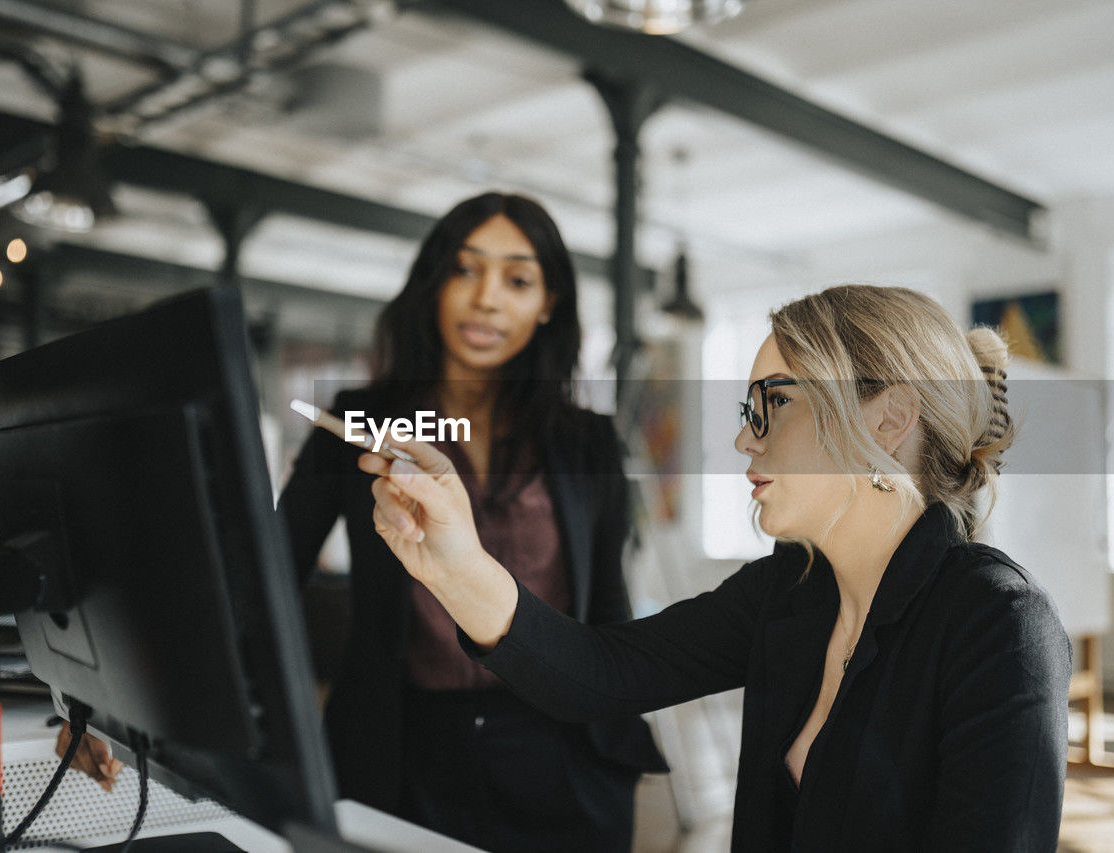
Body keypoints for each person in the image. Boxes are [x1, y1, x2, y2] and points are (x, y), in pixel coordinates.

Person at [361, 284, 1073, 851]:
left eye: (774, 404)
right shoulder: (790, 589)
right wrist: (453, 565)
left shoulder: (998, 625)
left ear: (889, 419)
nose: (742, 437)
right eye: (746, 408)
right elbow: (603, 671)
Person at [56, 192, 667, 852]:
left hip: (566, 755)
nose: (488, 297)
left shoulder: (588, 441)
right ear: (433, 284)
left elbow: (608, 608)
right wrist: (112, 709)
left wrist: (615, 753)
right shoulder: (355, 423)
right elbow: (258, 585)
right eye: (466, 270)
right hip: (401, 756)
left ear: (548, 304)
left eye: (518, 279)